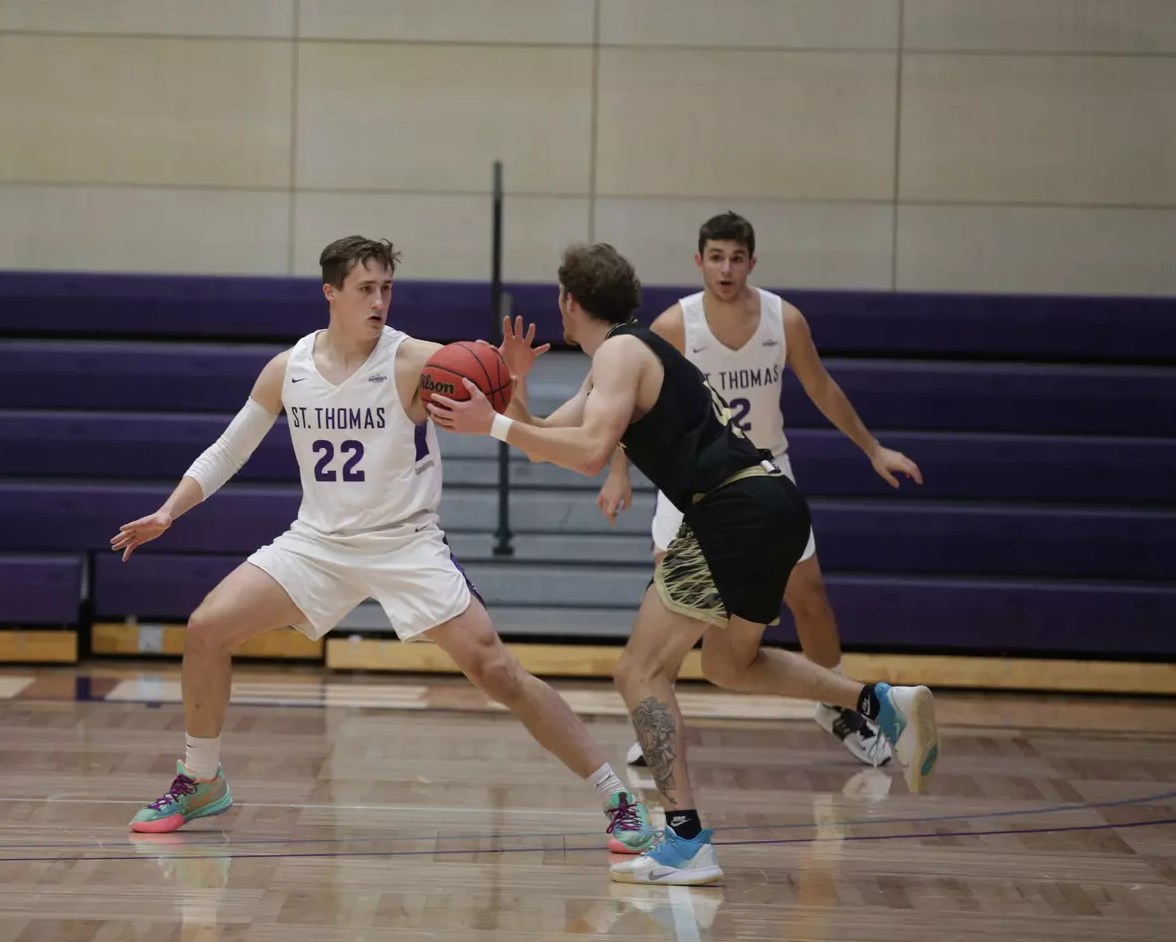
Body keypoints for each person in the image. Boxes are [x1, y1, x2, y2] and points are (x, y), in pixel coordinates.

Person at [110, 236, 652, 854]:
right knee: (207, 627)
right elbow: (231, 449)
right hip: (318, 543)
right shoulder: (288, 369)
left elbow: (520, 435)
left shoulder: (422, 362)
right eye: (366, 288)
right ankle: (200, 779)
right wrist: (169, 510)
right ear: (331, 293)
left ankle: (617, 796)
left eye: (387, 288)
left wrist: (510, 382)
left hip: (405, 543)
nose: (380, 301)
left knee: (497, 671)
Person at [426, 243, 939, 886]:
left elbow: (586, 456)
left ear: (568, 302)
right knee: (730, 663)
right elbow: (544, 444)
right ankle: (877, 702)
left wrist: (492, 426)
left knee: (639, 670)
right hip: (770, 502)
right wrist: (515, 386)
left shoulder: (619, 353)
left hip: (732, 510)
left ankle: (686, 839)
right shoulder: (622, 354)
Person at [608, 212, 922, 768]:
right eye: (715, 257)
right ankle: (655, 715)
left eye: (735, 258)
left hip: (764, 478)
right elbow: (628, 401)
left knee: (810, 597)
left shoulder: (785, 319)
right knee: (670, 600)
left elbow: (821, 388)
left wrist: (873, 448)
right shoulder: (674, 324)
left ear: (752, 262)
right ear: (698, 260)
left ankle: (840, 706)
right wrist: (617, 472)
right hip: (693, 483)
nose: (725, 268)